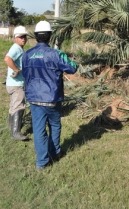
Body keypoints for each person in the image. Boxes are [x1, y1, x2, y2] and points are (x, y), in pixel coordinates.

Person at [22, 20, 77, 171]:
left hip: (33, 97)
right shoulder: (56, 54)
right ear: (50, 36)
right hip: (52, 98)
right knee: (54, 125)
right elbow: (72, 68)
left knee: (38, 129)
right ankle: (55, 152)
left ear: (35, 37)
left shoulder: (26, 55)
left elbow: (25, 74)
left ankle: (41, 163)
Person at [4, 25, 29, 141]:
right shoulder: (16, 48)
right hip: (16, 84)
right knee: (19, 106)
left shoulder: (18, 48)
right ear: (15, 37)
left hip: (12, 83)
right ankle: (16, 133)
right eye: (20, 37)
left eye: (24, 36)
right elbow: (7, 59)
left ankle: (11, 127)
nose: (23, 39)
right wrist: (16, 69)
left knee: (13, 106)